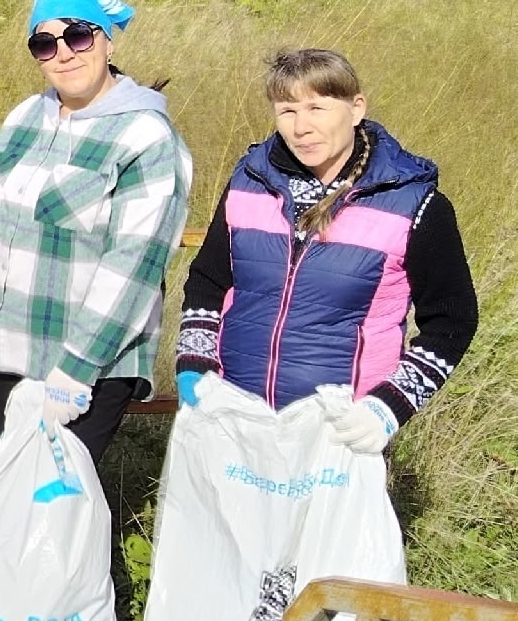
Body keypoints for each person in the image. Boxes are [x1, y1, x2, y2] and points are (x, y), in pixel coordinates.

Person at [176, 48, 477, 451]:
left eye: (317, 107)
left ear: (355, 109)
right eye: (288, 111)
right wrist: (194, 364)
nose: (302, 127)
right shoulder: (248, 184)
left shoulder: (416, 205)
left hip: (339, 433)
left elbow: (451, 322)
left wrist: (388, 407)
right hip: (234, 418)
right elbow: (208, 280)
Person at [0, 0, 193, 462]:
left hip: (81, 366)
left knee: (57, 510)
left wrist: (77, 368)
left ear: (107, 40)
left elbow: (135, 264)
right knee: (11, 501)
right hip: (0, 353)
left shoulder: (145, 136)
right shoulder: (25, 117)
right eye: (45, 43)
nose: (64, 52)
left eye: (79, 35)